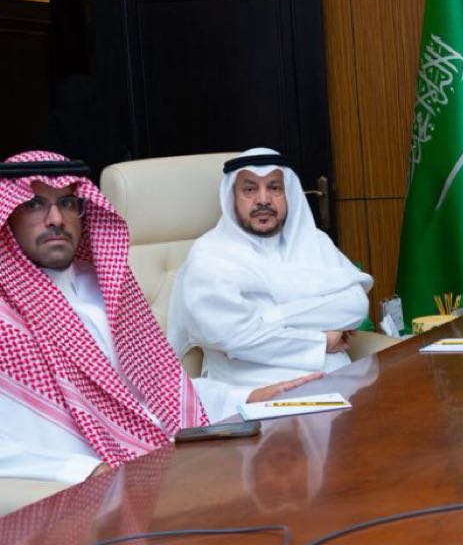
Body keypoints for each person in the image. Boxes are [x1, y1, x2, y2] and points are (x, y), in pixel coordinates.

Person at [0, 151, 315, 486]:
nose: (56, 219)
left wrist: (242, 398)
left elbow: (152, 393)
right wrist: (81, 470)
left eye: (66, 203)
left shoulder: (105, 286)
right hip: (71, 491)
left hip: (160, 471)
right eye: (34, 204)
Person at [169, 148, 372, 388]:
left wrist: (270, 317)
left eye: (274, 188)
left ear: (288, 193)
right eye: (250, 189)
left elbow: (355, 305)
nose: (263, 200)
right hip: (252, 391)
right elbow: (233, 337)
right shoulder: (210, 254)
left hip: (338, 382)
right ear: (232, 196)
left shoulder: (314, 241)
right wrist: (322, 341)